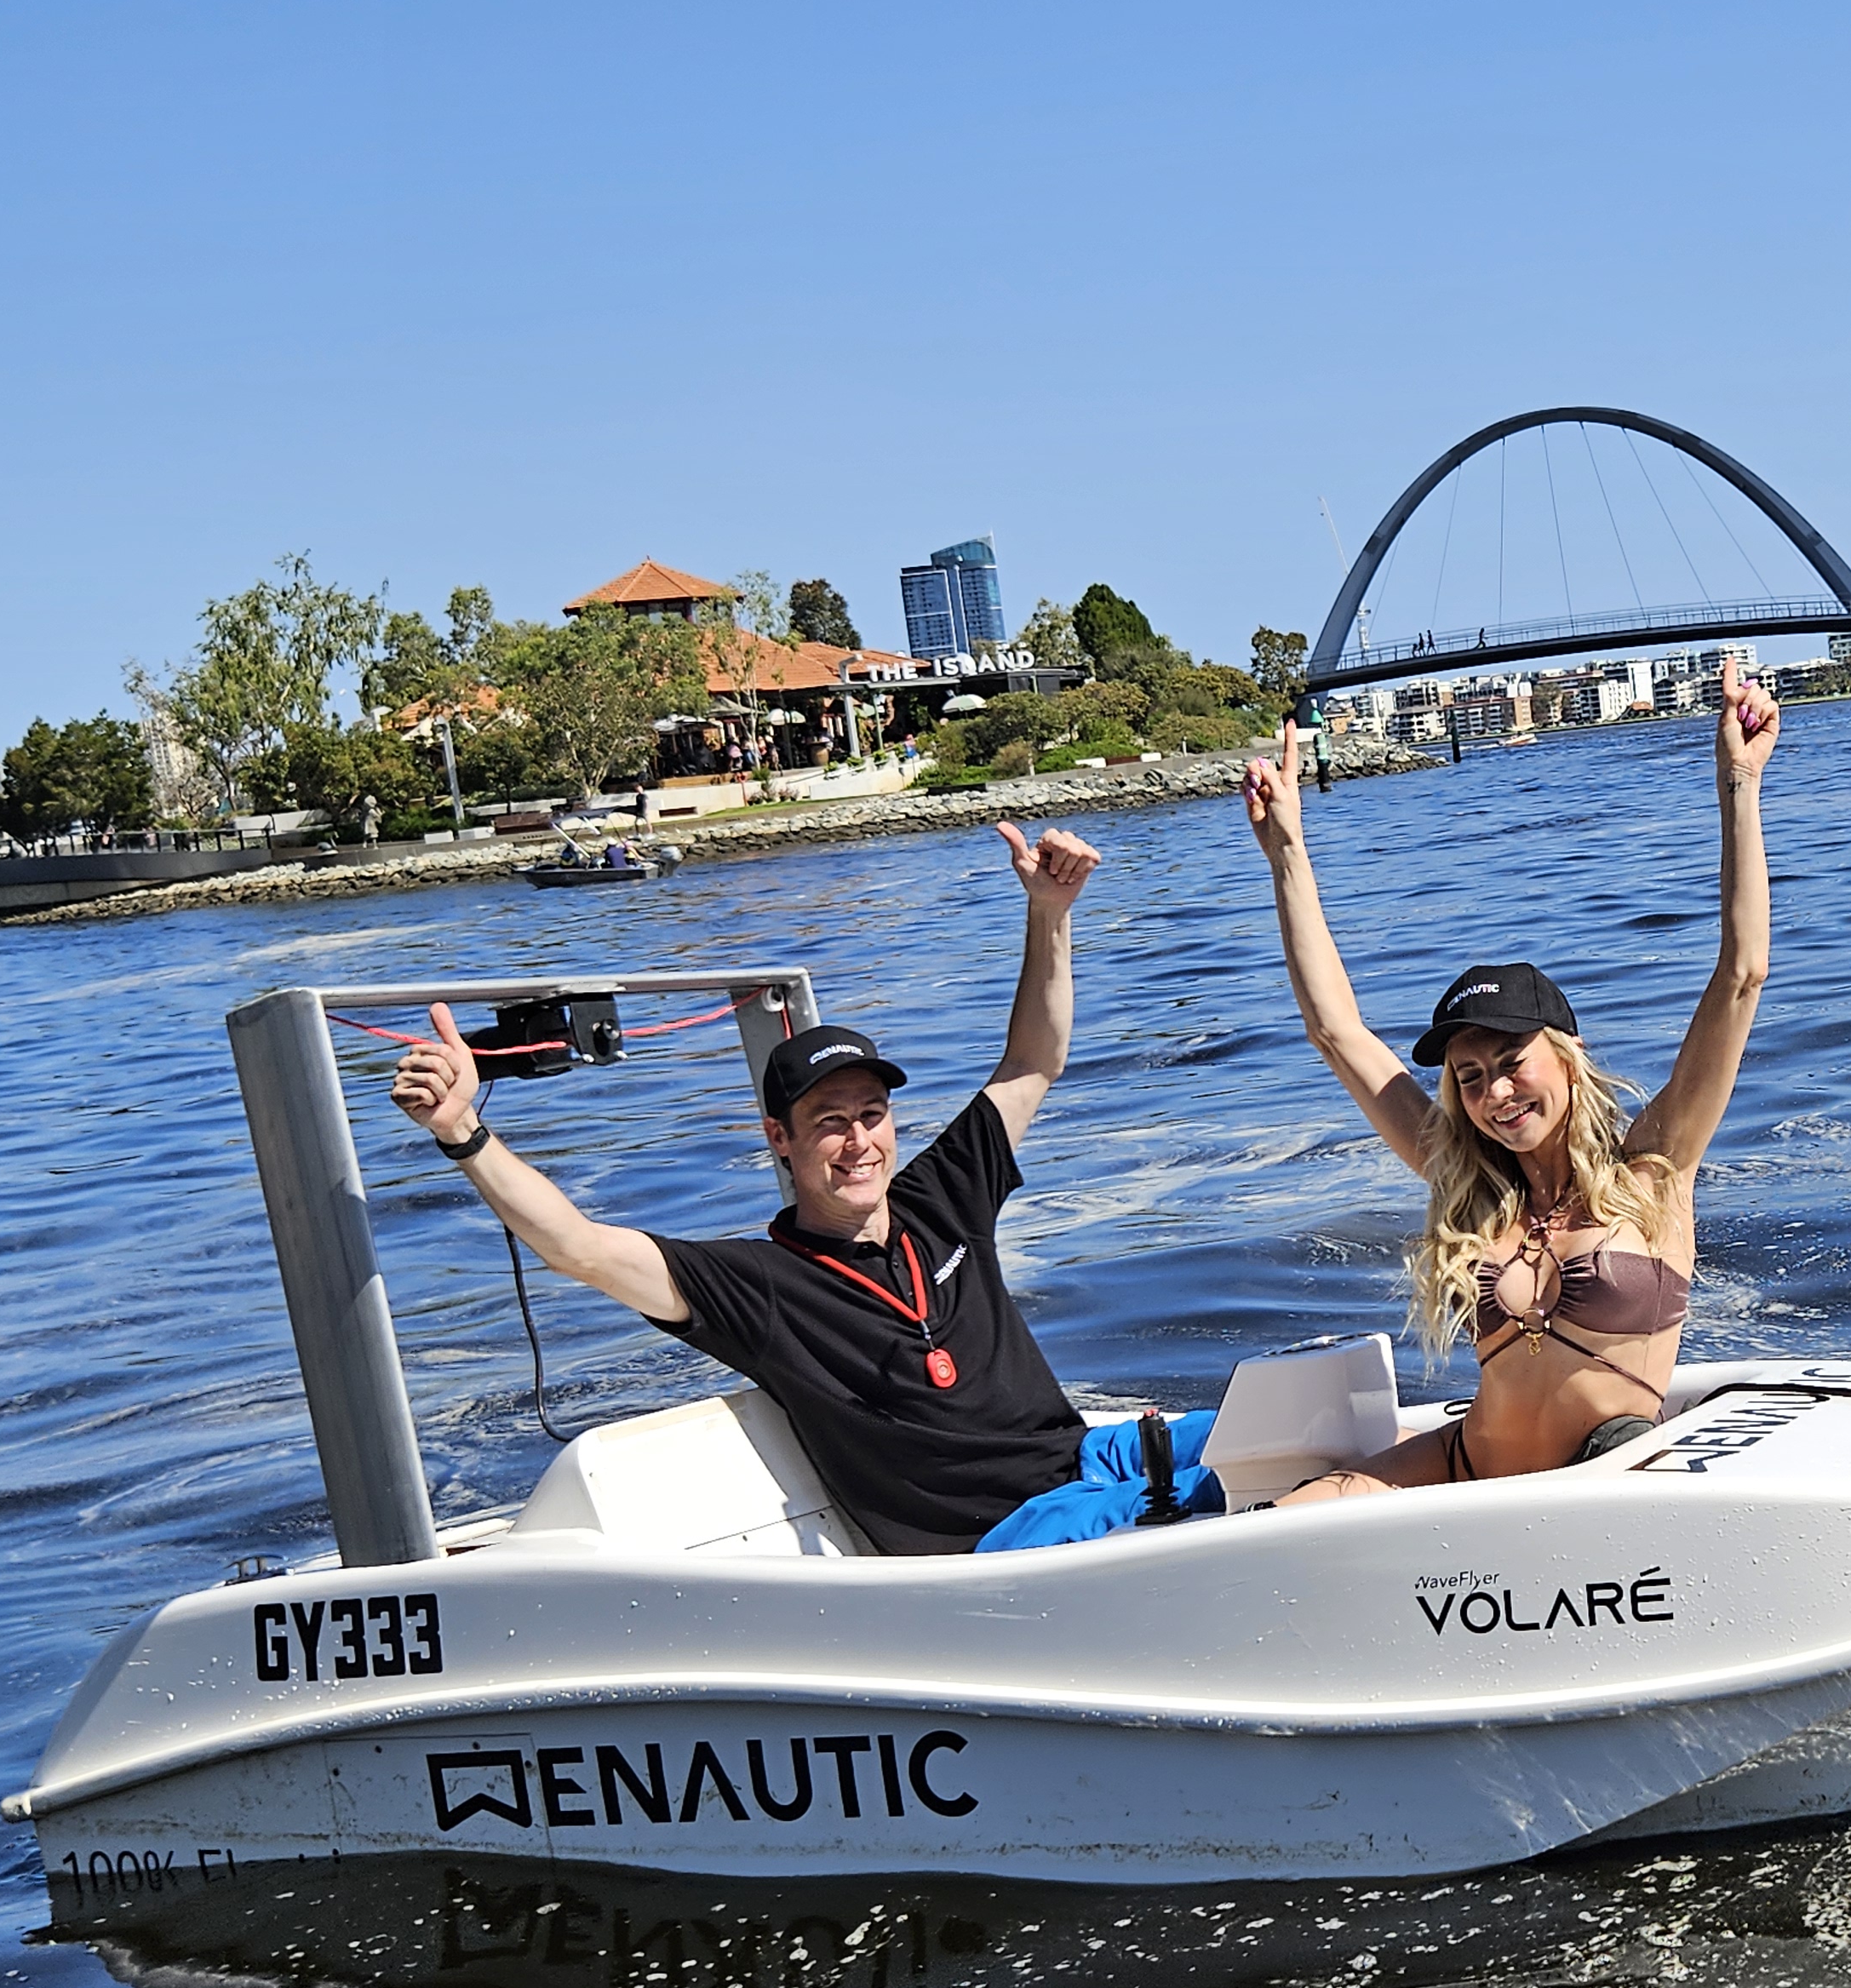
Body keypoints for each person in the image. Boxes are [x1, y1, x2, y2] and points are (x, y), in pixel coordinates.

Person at [387, 819, 1219, 1553]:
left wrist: (1049, 913)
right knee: (1265, 1495)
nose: (858, 1142)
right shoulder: (763, 1288)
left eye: (872, 1115)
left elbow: (1032, 1062)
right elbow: (580, 1249)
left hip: (1088, 1459)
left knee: (1284, 1420)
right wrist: (464, 1131)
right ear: (779, 1140)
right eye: (829, 1121)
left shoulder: (943, 1198)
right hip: (1013, 1536)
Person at [1237, 661, 1779, 1496]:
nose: (1494, 1094)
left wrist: (1738, 787)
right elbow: (1337, 1032)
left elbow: (1741, 976)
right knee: (1283, 1526)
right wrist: (1286, 853)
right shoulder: (1470, 1183)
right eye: (1470, 1077)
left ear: (1566, 1055)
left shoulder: (1654, 1169)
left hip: (1596, 1489)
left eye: (1511, 1064)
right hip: (1466, 1472)